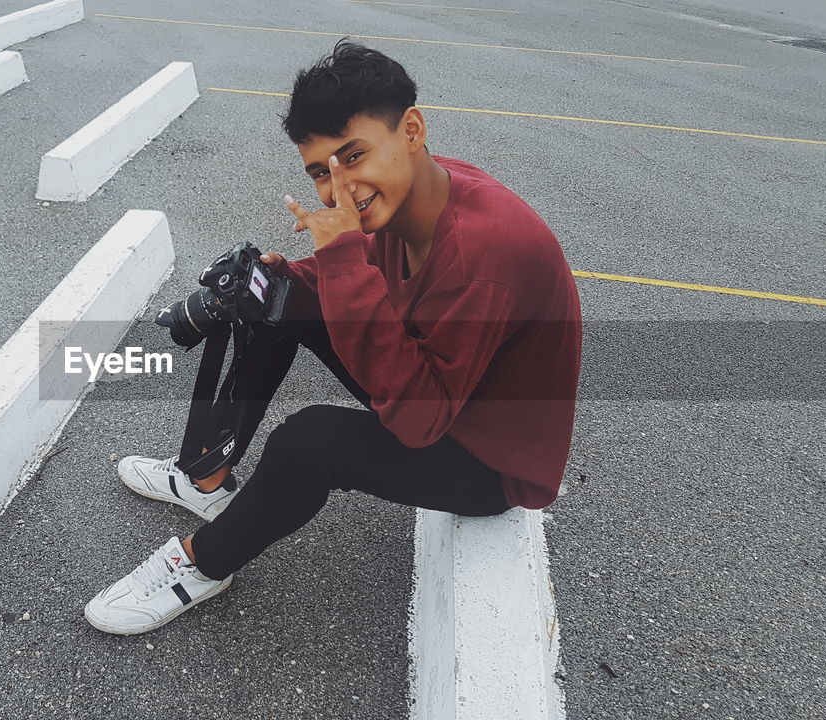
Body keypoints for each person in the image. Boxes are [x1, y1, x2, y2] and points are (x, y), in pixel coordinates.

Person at [84, 40, 582, 635]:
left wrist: (341, 255)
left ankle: (201, 564)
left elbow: (420, 420)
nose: (338, 189)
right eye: (321, 171)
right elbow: (366, 271)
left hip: (485, 457)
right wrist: (280, 281)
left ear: (413, 130)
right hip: (438, 386)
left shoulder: (488, 254)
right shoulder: (420, 192)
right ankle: (205, 475)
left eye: (354, 156)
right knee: (275, 301)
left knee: (309, 443)